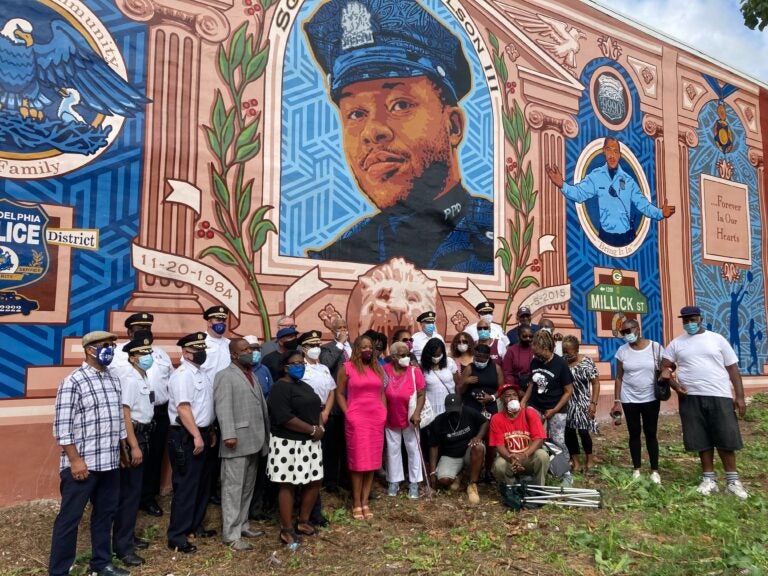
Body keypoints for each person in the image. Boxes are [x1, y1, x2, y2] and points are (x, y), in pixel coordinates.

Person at [303, 0, 494, 273]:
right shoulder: (336, 258)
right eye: (356, 113)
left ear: (453, 126)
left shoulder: (501, 241)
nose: (372, 131)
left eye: (400, 105)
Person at [49, 331, 128, 576]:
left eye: (112, 345)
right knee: (69, 520)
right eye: (104, 345)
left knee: (105, 515)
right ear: (88, 349)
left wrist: (123, 450)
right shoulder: (73, 381)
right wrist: (75, 460)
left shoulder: (114, 379)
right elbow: (62, 428)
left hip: (109, 462)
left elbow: (118, 419)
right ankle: (59, 570)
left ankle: (102, 563)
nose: (110, 350)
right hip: (83, 466)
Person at [661, 305, 748, 499]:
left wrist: (740, 397)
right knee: (700, 439)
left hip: (720, 395)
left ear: (700, 318)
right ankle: (709, 479)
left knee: (726, 437)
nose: (689, 323)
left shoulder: (717, 340)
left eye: (693, 319)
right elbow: (664, 368)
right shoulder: (677, 344)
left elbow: (733, 369)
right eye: (686, 320)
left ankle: (733, 480)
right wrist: (675, 385)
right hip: (690, 397)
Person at [545, 137, 675, 246]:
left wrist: (660, 213)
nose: (612, 155)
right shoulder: (596, 176)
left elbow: (643, 205)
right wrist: (562, 184)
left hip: (627, 237)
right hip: (605, 236)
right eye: (609, 150)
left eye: (616, 151)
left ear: (620, 155)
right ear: (604, 152)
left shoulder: (628, 181)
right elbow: (579, 193)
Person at [111, 312, 173, 518]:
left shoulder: (161, 354)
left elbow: (170, 382)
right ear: (129, 332)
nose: (144, 333)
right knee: (131, 460)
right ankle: (126, 502)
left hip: (158, 411)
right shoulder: (118, 353)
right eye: (139, 330)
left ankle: (147, 497)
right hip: (131, 414)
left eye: (147, 329)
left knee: (154, 457)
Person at [214, 338, 270, 551]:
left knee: (247, 487)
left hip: (254, 439)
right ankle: (231, 533)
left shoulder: (251, 374)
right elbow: (223, 407)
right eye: (245, 349)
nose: (250, 352)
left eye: (251, 349)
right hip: (235, 441)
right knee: (232, 488)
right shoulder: (225, 376)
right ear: (234, 354)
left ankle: (243, 524)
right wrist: (228, 434)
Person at [266, 349, 325, 547]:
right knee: (288, 484)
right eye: (295, 363)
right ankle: (286, 528)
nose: (300, 366)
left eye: (302, 363)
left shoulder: (305, 386)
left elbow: (317, 407)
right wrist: (311, 429)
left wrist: (319, 427)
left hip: (311, 442)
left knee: (315, 481)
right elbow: (284, 417)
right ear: (285, 367)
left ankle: (303, 521)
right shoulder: (279, 388)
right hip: (287, 443)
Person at [166, 332, 218, 554]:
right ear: (186, 353)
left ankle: (194, 527)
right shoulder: (182, 375)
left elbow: (205, 406)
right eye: (197, 350)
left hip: (204, 434)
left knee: (202, 484)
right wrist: (197, 434)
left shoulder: (201, 373)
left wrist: (209, 430)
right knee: (186, 486)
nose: (201, 353)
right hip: (187, 436)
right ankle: (177, 536)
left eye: (202, 348)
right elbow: (183, 408)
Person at [112, 336, 155, 567]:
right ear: (133, 357)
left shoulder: (142, 375)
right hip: (134, 436)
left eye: (149, 352)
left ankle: (127, 536)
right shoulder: (129, 378)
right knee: (129, 494)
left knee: (134, 492)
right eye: (143, 353)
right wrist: (133, 445)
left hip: (144, 434)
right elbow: (124, 413)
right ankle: (122, 547)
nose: (148, 357)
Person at [335, 335, 387, 519]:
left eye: (370, 347)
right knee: (358, 462)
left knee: (372, 462)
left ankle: (365, 501)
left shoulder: (377, 368)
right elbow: (339, 393)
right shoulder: (347, 368)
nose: (367, 350)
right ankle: (356, 501)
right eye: (363, 347)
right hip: (356, 419)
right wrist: (348, 413)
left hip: (376, 419)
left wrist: (384, 413)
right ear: (356, 348)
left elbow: (381, 393)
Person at [521, 330, 574, 487]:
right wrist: (524, 401)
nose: (534, 354)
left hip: (556, 408)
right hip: (536, 405)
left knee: (557, 440)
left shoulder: (560, 364)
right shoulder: (535, 361)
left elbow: (568, 391)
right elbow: (532, 383)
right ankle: (534, 470)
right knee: (533, 438)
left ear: (545, 348)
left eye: (536, 351)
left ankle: (566, 473)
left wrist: (555, 410)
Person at [613, 319, 663, 483]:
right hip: (629, 399)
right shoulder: (622, 351)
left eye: (629, 331)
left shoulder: (655, 347)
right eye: (623, 333)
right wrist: (617, 400)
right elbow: (619, 377)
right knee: (634, 433)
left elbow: (666, 368)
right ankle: (636, 469)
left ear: (638, 329)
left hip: (651, 397)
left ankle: (654, 470)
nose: (626, 335)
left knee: (650, 433)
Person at [298, 330, 336, 526]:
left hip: (321, 415)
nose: (316, 349)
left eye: (318, 345)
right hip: (306, 417)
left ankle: (315, 512)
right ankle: (304, 511)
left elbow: (331, 391)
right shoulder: (299, 368)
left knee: (317, 466)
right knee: (306, 465)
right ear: (304, 348)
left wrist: (327, 412)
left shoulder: (323, 368)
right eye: (312, 345)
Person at [384, 341, 426, 499]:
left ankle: (414, 482)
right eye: (402, 355)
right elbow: (381, 390)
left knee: (413, 448)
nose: (407, 358)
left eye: (408, 354)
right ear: (394, 357)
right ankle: (394, 480)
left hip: (410, 416)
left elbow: (422, 393)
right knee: (392, 449)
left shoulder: (415, 372)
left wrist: (417, 412)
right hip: (391, 415)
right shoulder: (385, 370)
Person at [428, 394, 488, 505]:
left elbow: (484, 422)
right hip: (451, 455)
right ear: (445, 408)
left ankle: (472, 484)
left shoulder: (469, 412)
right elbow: (434, 446)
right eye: (451, 411)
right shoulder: (439, 421)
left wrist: (478, 437)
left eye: (456, 410)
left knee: (478, 447)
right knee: (444, 480)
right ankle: (459, 476)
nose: (454, 413)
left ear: (462, 405)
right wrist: (432, 472)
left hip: (468, 451)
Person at [243, 335, 277, 522]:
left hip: (265, 424)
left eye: (256, 348)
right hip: (246, 427)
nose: (254, 352)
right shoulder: (240, 372)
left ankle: (257, 507)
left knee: (262, 467)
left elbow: (270, 393)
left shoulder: (264, 370)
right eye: (250, 349)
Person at [490, 385, 549, 487]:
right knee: (499, 465)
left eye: (515, 395)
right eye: (508, 396)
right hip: (510, 459)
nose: (512, 398)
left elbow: (539, 439)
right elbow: (499, 445)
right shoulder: (496, 418)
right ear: (502, 400)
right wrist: (511, 458)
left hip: (528, 457)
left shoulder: (529, 413)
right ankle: (512, 491)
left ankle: (538, 489)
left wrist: (524, 455)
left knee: (542, 455)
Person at [319, 319, 352, 493]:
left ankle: (347, 479)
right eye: (339, 328)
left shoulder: (355, 347)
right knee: (332, 446)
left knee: (349, 446)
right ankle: (330, 481)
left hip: (353, 401)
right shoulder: (327, 348)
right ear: (333, 331)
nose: (343, 330)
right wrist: (339, 344)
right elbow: (326, 365)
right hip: (334, 405)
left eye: (345, 327)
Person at [561, 336, 600, 474]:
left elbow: (595, 383)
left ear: (577, 350)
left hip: (583, 402)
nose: (566, 354)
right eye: (564, 351)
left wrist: (593, 403)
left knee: (584, 432)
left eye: (569, 352)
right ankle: (576, 461)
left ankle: (589, 459)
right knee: (569, 433)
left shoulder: (587, 362)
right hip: (567, 402)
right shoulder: (562, 362)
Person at [457, 344, 503, 419]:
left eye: (482, 361)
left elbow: (501, 389)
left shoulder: (496, 368)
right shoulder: (469, 368)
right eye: (477, 360)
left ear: (488, 358)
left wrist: (491, 397)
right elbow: (460, 389)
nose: (479, 363)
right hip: (472, 405)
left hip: (490, 405)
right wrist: (466, 381)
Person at [420, 338, 459, 418]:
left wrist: (458, 402)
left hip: (449, 404)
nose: (436, 358)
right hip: (431, 407)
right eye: (434, 355)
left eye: (439, 355)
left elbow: (457, 384)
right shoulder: (422, 367)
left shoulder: (450, 362)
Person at [502, 325, 534, 397]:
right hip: (516, 389)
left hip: (533, 388)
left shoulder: (536, 349)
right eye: (524, 336)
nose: (528, 338)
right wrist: (515, 390)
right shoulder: (511, 350)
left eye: (530, 336)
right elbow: (507, 373)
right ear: (519, 336)